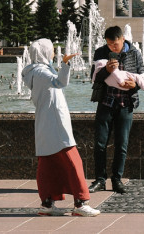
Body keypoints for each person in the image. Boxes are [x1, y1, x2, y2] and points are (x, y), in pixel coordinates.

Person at [22, 38, 100, 217]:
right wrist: (65, 64)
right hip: (55, 123)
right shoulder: (41, 73)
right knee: (73, 161)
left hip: (45, 123)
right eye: (51, 51)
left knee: (48, 164)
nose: (53, 54)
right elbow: (60, 82)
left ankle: (47, 204)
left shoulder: (35, 71)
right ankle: (81, 203)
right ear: (43, 53)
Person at [88, 26, 144, 194]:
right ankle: (100, 180)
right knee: (100, 144)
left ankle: (117, 179)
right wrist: (106, 70)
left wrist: (134, 86)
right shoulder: (100, 52)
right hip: (105, 103)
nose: (112, 47)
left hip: (126, 104)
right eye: (109, 44)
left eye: (115, 44)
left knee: (122, 144)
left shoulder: (135, 53)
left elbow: (142, 76)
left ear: (122, 39)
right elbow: (94, 79)